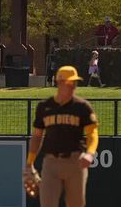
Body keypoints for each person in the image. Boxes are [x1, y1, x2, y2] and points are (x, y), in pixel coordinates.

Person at [25, 66, 99, 207]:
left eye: (75, 83)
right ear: (59, 83)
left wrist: (90, 153)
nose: (73, 86)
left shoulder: (82, 107)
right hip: (51, 163)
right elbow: (37, 136)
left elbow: (92, 134)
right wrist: (29, 164)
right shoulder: (44, 107)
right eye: (70, 83)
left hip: (75, 163)